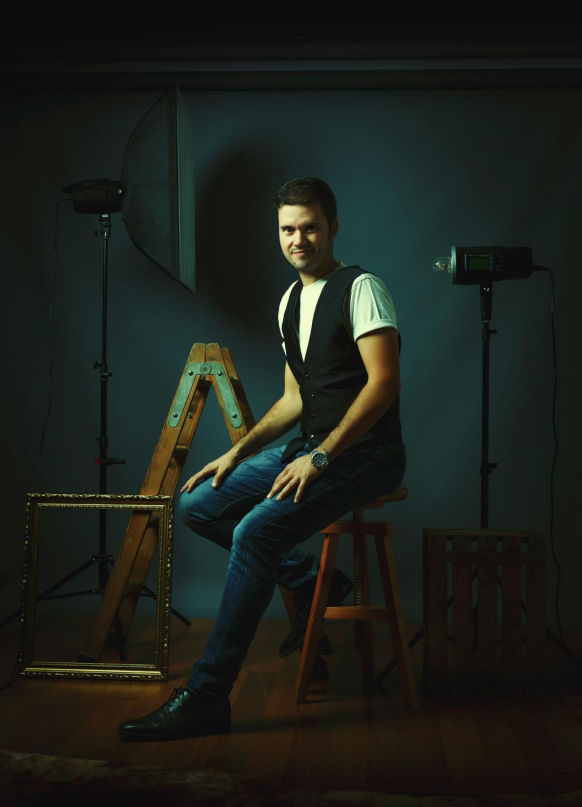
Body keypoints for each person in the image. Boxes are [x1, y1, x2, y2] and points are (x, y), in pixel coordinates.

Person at [118, 177, 405, 741]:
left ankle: (206, 697)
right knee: (198, 505)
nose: (298, 240)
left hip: (370, 455)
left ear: (333, 228)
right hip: (311, 448)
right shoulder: (289, 301)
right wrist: (235, 452)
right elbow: (295, 399)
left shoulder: (362, 288)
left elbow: (385, 382)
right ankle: (312, 578)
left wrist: (320, 458)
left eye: (310, 228)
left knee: (254, 532)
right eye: (288, 229)